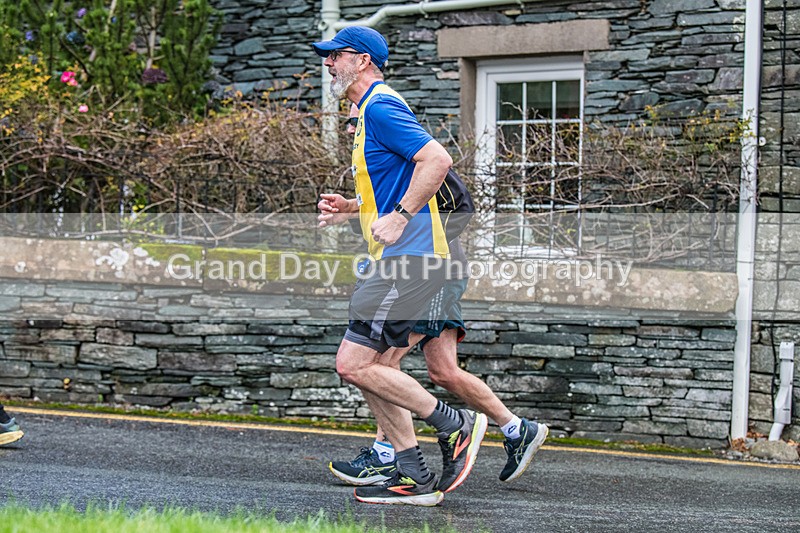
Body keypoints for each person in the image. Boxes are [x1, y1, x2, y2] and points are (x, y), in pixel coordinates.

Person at [323, 105, 549, 489]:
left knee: (378, 361)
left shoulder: (396, 139)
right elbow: (396, 198)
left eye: (353, 120)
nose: (349, 130)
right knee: (441, 371)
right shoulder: (386, 156)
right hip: (443, 268)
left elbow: (433, 194)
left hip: (433, 270)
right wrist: (352, 207)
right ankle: (516, 429)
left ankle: (389, 454)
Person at [312, 26, 488, 506]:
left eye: (336, 55)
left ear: (363, 60)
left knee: (353, 364)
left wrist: (401, 216)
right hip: (397, 258)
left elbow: (437, 160)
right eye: (327, 56)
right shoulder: (369, 113)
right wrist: (352, 207)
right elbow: (394, 181)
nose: (328, 63)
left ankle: (455, 423)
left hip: (412, 258)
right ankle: (411, 475)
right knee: (371, 367)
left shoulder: (381, 106)